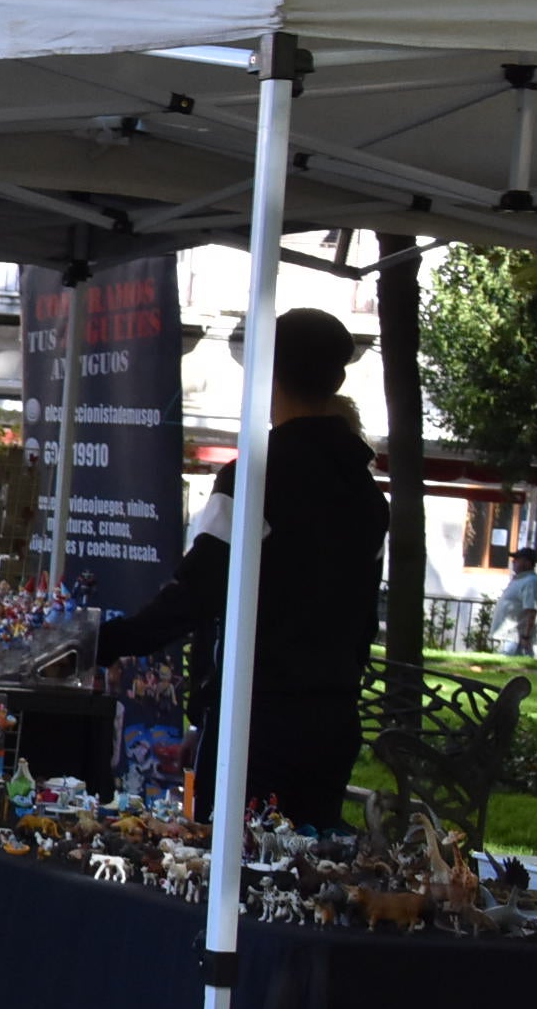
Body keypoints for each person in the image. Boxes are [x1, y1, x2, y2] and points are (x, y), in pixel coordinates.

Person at [97, 308, 387, 831]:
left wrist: (104, 640)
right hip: (333, 719)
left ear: (265, 374)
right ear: (337, 379)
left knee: (228, 875)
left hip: (256, 724)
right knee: (307, 877)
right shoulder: (366, 493)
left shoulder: (256, 476)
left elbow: (197, 590)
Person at [494, 547, 537, 658]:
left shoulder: (531, 582)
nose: (513, 562)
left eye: (517, 559)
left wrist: (525, 637)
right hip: (508, 636)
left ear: (527, 563)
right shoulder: (520, 579)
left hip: (516, 639)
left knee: (511, 670)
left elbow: (531, 611)